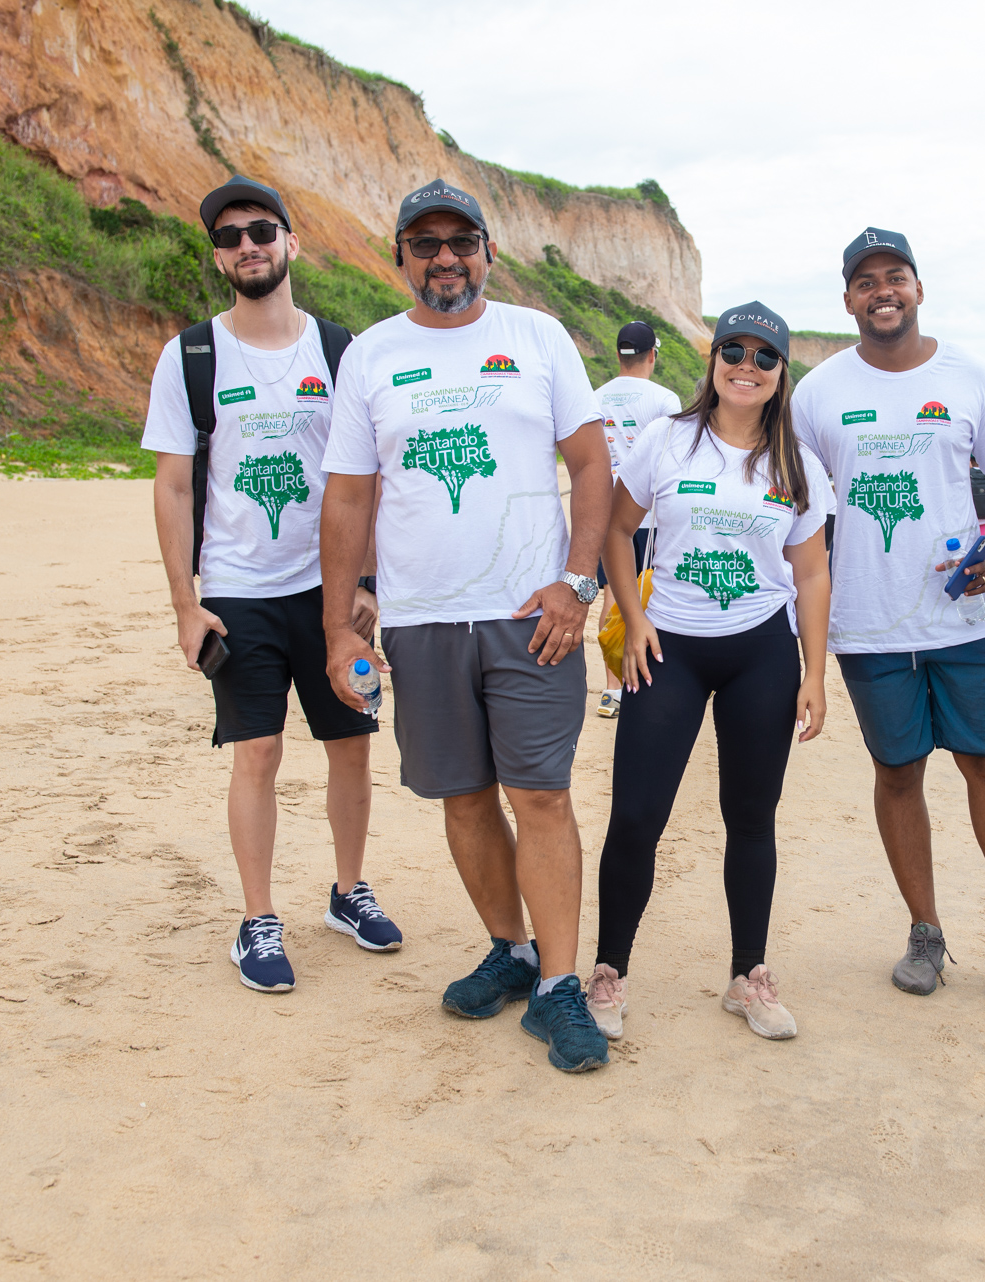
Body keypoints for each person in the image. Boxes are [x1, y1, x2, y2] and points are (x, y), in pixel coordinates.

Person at [317, 178, 614, 1074]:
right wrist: (340, 629)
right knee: (464, 795)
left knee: (542, 795)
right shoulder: (371, 354)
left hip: (533, 615)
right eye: (426, 243)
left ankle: (559, 986)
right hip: (422, 618)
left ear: (488, 250)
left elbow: (591, 465)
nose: (445, 257)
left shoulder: (538, 337)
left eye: (461, 241)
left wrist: (578, 583)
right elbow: (349, 497)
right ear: (400, 257)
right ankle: (510, 951)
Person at [142, 176, 394, 995]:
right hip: (238, 589)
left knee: (352, 743)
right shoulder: (192, 356)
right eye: (229, 237)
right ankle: (257, 920)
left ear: (291, 242)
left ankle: (348, 892)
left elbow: (369, 476)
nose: (247, 245)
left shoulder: (342, 351)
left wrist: (367, 582)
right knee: (257, 750)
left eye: (261, 230)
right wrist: (186, 604)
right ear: (218, 258)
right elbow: (173, 484)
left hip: (332, 594)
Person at [792, 227, 985, 1011]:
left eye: (895, 276)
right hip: (868, 622)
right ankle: (925, 931)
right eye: (866, 281)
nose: (883, 291)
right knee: (897, 772)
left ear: (918, 288)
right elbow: (794, 508)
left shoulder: (968, 375)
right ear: (848, 300)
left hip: (967, 619)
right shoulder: (817, 394)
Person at [587, 303, 833, 1044]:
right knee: (636, 816)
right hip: (671, 650)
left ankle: (747, 975)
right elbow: (618, 529)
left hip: (761, 651)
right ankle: (608, 970)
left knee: (751, 819)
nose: (746, 367)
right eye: (734, 350)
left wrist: (815, 673)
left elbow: (811, 573)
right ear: (713, 358)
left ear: (781, 372)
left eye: (764, 356)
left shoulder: (797, 462)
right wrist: (634, 617)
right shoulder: (668, 439)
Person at [591, 320, 683, 719]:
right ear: (652, 356)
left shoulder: (594, 398)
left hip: (607, 514)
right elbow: (677, 457)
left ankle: (612, 690)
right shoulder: (664, 399)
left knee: (613, 595)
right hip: (653, 515)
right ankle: (650, 683)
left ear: (618, 354)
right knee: (658, 598)